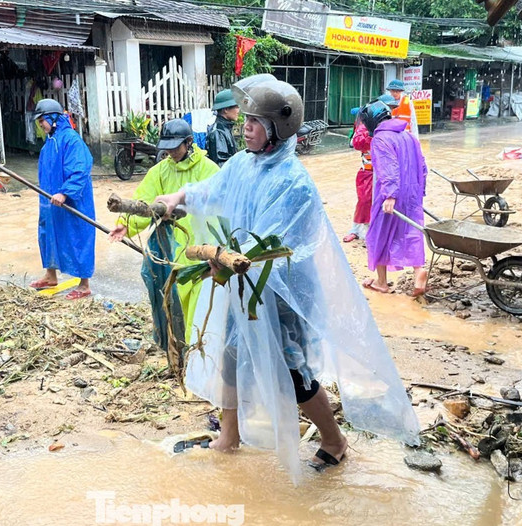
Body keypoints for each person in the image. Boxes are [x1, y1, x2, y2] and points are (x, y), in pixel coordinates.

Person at [154, 75, 420, 482]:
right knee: (228, 355)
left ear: (277, 130)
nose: (246, 127)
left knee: (294, 373)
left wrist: (229, 261)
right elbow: (213, 190)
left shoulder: (294, 181)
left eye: (256, 122)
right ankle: (229, 436)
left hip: (282, 291)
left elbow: (275, 246)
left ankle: (334, 442)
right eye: (245, 119)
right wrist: (179, 197)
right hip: (242, 283)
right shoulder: (244, 163)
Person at [109, 119, 218, 345]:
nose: (170, 152)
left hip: (198, 246)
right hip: (170, 245)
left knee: (199, 299)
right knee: (166, 293)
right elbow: (145, 201)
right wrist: (126, 224)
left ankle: (197, 348)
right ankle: (175, 346)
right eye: (166, 147)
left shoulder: (209, 169)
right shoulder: (160, 171)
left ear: (189, 143)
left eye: (175, 146)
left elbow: (219, 211)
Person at [28, 98, 95, 300]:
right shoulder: (49, 143)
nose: (40, 124)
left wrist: (65, 192)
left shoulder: (71, 140)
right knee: (47, 233)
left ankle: (84, 285)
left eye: (42, 120)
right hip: (50, 201)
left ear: (53, 118)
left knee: (78, 236)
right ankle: (50, 275)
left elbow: (80, 169)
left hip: (72, 200)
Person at [360, 100, 428, 297]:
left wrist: (390, 195)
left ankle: (382, 282)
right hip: (412, 193)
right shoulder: (408, 136)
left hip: (390, 194)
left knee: (378, 234)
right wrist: (419, 191)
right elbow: (422, 166)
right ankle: (418, 272)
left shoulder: (381, 139)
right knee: (411, 231)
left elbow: (388, 168)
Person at [343, 108, 374, 243]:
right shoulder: (364, 129)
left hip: (384, 173)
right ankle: (357, 230)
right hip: (367, 172)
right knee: (364, 201)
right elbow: (355, 143)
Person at [206, 89, 239, 167]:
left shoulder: (226, 128)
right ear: (226, 109)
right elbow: (221, 165)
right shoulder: (218, 132)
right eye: (236, 107)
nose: (238, 110)